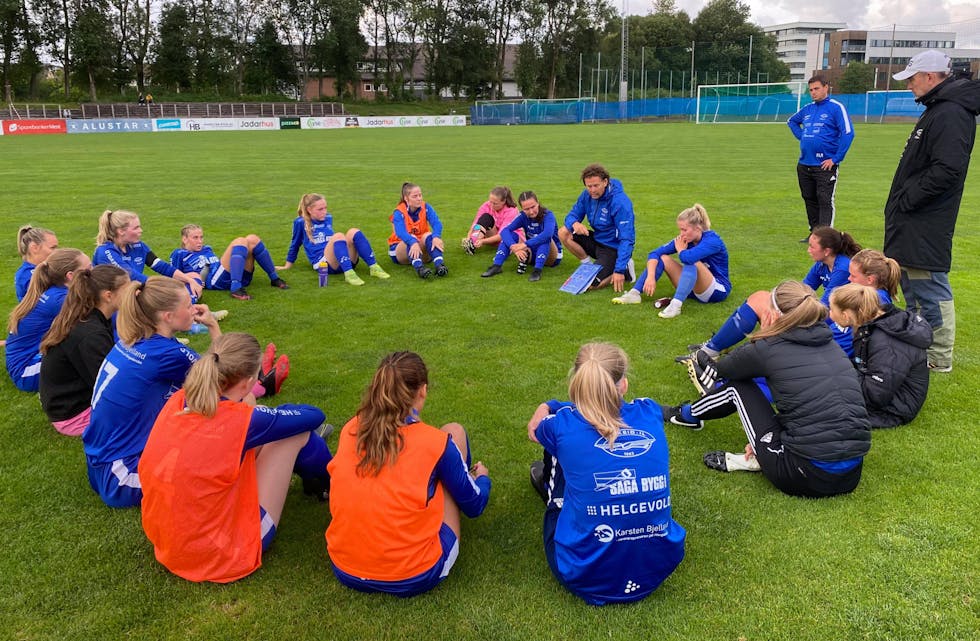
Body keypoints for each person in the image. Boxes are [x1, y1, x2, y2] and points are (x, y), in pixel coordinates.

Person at [139, 333, 333, 583]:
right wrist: (262, 411)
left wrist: (251, 408)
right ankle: (332, 485)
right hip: (221, 554)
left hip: (168, 541)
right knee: (296, 435)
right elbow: (314, 415)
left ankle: (320, 482)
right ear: (248, 382)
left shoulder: (180, 399)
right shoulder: (241, 420)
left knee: (265, 438)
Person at [665, 281, 871, 498]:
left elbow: (724, 369)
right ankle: (761, 450)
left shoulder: (769, 348)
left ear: (775, 314)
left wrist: (764, 335)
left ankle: (687, 415)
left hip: (805, 475)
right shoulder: (832, 346)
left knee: (737, 387)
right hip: (851, 475)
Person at [526, 342, 685, 605]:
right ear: (623, 385)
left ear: (578, 383)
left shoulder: (561, 423)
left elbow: (537, 430)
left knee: (558, 454)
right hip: (657, 567)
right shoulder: (650, 411)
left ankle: (550, 490)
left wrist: (546, 405)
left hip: (583, 574)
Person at [326, 351, 490, 597]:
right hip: (414, 575)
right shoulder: (435, 443)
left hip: (345, 567)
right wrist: (484, 479)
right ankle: (460, 478)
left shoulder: (352, 427)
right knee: (453, 433)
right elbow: (475, 505)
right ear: (422, 390)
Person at [83, 277, 221, 508]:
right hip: (124, 476)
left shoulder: (131, 339)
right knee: (216, 448)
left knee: (188, 397)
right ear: (167, 316)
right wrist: (213, 325)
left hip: (100, 462)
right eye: (188, 305)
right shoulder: (168, 353)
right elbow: (221, 378)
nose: (194, 308)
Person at [885, 50, 980, 373]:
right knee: (911, 283)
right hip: (912, 218)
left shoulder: (952, 112)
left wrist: (909, 198)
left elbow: (948, 169)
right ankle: (917, 346)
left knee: (929, 284)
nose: (910, 85)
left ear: (930, 76)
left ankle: (939, 356)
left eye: (912, 78)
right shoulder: (937, 109)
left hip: (926, 219)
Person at [682, 226, 859, 365]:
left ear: (827, 251)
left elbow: (824, 309)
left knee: (762, 304)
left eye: (812, 246)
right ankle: (714, 347)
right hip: (818, 317)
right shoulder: (822, 264)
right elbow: (803, 290)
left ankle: (712, 351)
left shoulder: (843, 268)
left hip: (824, 323)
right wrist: (778, 302)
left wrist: (783, 312)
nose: (808, 250)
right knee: (761, 299)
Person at [39, 265, 129, 435]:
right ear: (108, 296)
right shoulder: (90, 334)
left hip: (69, 402)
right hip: (73, 415)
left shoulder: (92, 316)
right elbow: (108, 386)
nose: (134, 293)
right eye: (128, 289)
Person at [829, 283, 931, 428]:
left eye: (832, 309)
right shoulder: (875, 325)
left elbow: (875, 395)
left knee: (820, 410)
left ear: (845, 315)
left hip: (893, 409)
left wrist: (839, 372)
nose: (829, 314)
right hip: (885, 394)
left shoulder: (886, 343)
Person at [611, 203, 730, 318]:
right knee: (663, 258)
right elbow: (654, 253)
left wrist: (680, 250)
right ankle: (634, 294)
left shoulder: (713, 241)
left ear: (698, 228)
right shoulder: (685, 239)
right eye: (680, 230)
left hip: (716, 291)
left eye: (684, 230)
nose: (681, 234)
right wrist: (651, 276)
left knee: (691, 260)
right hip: (693, 291)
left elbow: (687, 258)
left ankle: (675, 306)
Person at [6, 248, 90, 392]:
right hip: (27, 371)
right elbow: (98, 318)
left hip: (28, 360)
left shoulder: (55, 292)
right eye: (88, 269)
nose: (93, 272)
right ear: (71, 276)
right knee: (89, 343)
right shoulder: (59, 300)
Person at [787, 75, 855, 237]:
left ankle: (826, 238)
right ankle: (814, 234)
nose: (813, 93)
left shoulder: (836, 107)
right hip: (804, 164)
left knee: (824, 200)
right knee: (809, 199)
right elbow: (791, 121)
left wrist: (835, 158)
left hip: (825, 165)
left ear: (826, 87)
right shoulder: (808, 109)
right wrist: (803, 136)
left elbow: (848, 133)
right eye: (810, 90)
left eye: (816, 88)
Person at [280, 193, 389, 286]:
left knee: (353, 231)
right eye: (320, 209)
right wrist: (287, 265)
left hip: (342, 259)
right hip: (323, 264)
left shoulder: (328, 218)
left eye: (325, 208)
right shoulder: (300, 222)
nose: (324, 211)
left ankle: (374, 267)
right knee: (338, 236)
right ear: (309, 210)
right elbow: (295, 244)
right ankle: (349, 274)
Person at [93, 209, 203, 300]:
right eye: (136, 228)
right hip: (116, 300)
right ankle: (189, 311)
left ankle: (187, 308)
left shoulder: (138, 246)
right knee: (167, 295)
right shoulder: (105, 252)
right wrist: (168, 286)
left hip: (137, 290)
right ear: (121, 231)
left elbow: (161, 266)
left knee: (194, 277)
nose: (141, 231)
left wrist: (189, 280)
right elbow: (132, 276)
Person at [559, 164, 635, 291]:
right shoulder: (586, 195)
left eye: (596, 185)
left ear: (605, 182)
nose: (592, 190)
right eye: (589, 186)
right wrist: (575, 223)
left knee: (590, 286)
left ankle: (625, 269)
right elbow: (572, 215)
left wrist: (619, 270)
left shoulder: (620, 202)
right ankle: (587, 266)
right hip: (597, 240)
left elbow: (627, 239)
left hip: (613, 248)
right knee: (563, 232)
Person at [171, 224, 289, 301]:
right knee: (240, 241)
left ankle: (274, 279)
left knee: (253, 239)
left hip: (231, 276)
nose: (200, 241)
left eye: (201, 237)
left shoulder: (207, 249)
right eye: (195, 238)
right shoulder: (179, 254)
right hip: (214, 280)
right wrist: (194, 279)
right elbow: (174, 277)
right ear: (184, 239)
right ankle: (236, 289)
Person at [479, 190, 561, 282]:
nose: (531, 211)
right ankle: (496, 266)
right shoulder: (522, 216)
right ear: (522, 208)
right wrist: (513, 247)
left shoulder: (548, 215)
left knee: (545, 238)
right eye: (526, 209)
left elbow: (547, 234)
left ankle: (537, 271)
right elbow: (505, 231)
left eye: (533, 207)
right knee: (511, 235)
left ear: (538, 203)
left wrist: (524, 245)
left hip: (552, 257)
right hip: (532, 253)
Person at [388, 182, 448, 279]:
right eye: (415, 196)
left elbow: (437, 223)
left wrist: (436, 236)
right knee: (411, 237)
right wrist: (412, 242)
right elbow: (400, 232)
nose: (419, 198)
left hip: (419, 245)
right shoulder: (399, 212)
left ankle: (440, 265)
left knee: (429, 235)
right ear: (406, 198)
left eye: (420, 195)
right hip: (399, 249)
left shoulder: (426, 207)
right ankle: (420, 268)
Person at [462, 186, 521, 254]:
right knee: (485, 218)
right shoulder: (486, 205)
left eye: (495, 203)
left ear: (504, 201)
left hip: (509, 238)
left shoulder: (511, 211)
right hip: (494, 236)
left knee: (504, 235)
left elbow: (502, 235)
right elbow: (476, 224)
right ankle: (472, 242)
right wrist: (469, 237)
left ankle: (474, 243)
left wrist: (483, 241)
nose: (491, 206)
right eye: (490, 202)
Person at [15, 225, 58, 301]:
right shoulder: (27, 275)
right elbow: (52, 300)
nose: (57, 251)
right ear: (35, 248)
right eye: (52, 248)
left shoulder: (46, 268)